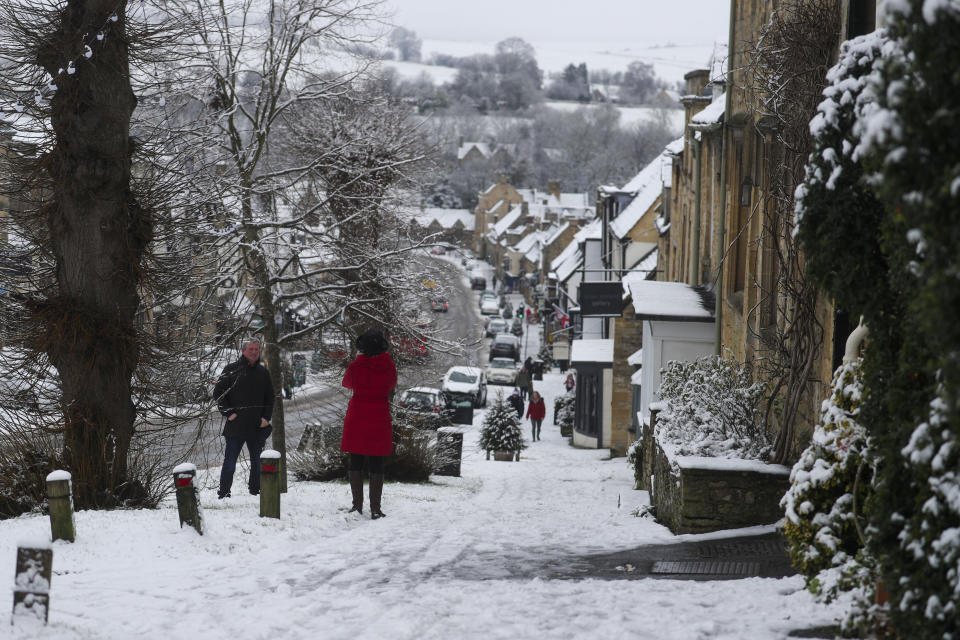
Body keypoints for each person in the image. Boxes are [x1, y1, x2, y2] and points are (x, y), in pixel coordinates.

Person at [340, 327, 397, 520]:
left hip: (357, 416)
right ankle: (375, 508)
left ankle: (357, 506)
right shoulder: (388, 366)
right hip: (379, 416)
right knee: (376, 461)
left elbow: (346, 383)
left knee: (356, 460)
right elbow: (391, 384)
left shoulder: (357, 366)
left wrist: (358, 362)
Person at [214, 339, 275, 499]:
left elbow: (270, 398)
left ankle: (255, 491)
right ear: (243, 351)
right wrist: (229, 413)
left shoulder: (263, 372)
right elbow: (218, 394)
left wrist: (266, 418)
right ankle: (224, 493)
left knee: (257, 463)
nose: (254, 352)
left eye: (256, 349)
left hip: (256, 426)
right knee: (230, 463)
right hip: (236, 426)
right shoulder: (231, 370)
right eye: (250, 349)